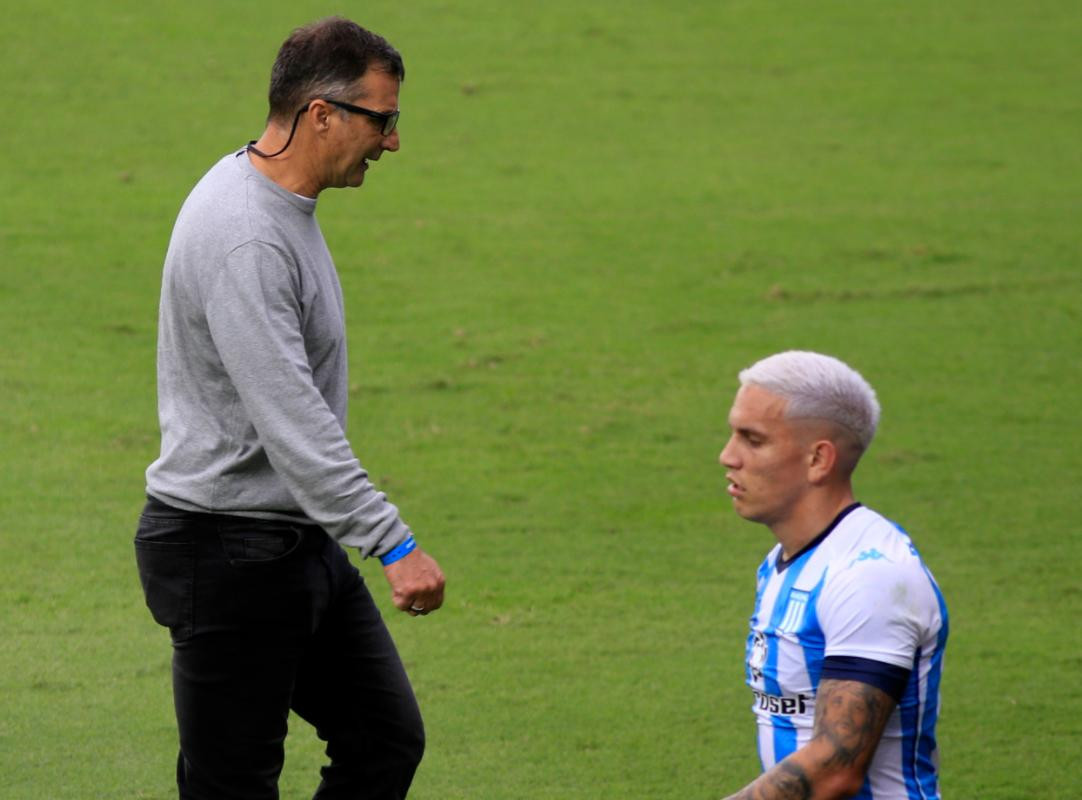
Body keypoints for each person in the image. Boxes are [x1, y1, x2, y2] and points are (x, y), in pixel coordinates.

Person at [134, 17, 445, 800]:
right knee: (232, 785)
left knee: (384, 738)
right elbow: (291, 420)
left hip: (289, 538)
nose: (392, 142)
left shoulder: (274, 203)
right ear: (321, 114)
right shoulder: (248, 237)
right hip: (226, 549)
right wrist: (393, 542)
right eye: (383, 120)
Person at [716, 351, 947, 800]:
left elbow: (836, 767)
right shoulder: (784, 562)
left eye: (753, 440)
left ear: (818, 460)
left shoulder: (870, 577)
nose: (728, 456)